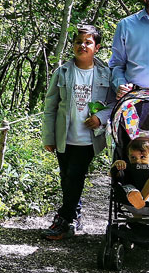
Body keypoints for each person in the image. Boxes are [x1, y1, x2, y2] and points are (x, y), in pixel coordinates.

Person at [42, 25, 116, 240]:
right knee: (66, 178)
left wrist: (100, 118)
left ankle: (63, 220)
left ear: (97, 47)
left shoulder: (105, 74)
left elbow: (113, 103)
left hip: (89, 140)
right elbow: (50, 106)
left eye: (88, 42)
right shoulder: (63, 72)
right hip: (64, 137)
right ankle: (75, 214)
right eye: (78, 42)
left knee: (75, 175)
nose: (82, 45)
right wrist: (49, 137)